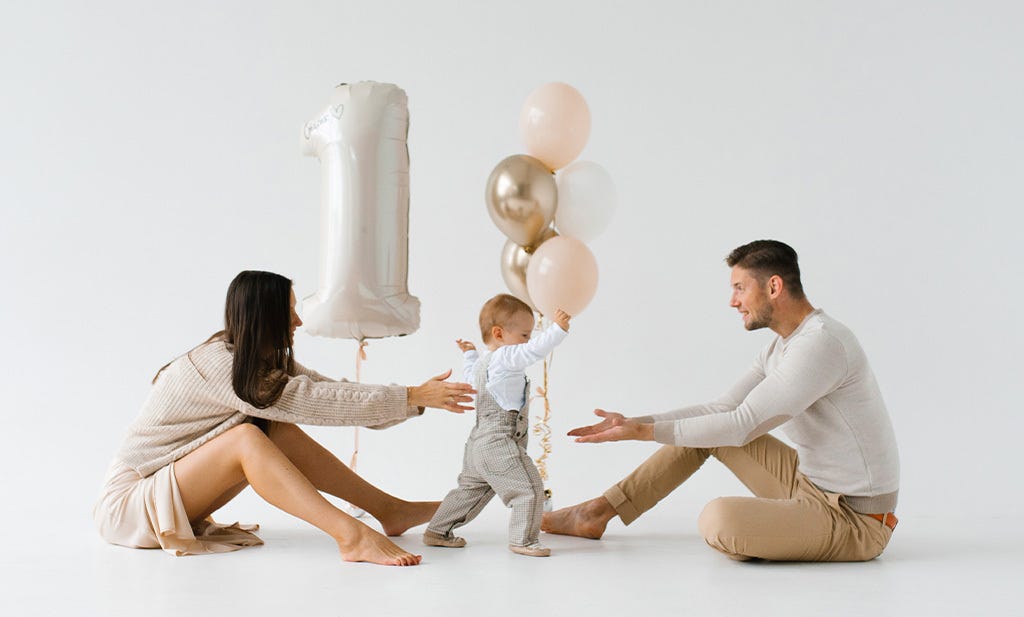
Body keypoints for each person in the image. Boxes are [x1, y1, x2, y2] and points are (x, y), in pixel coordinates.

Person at [542, 240, 900, 562]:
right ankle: (595, 513)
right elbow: (721, 409)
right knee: (704, 432)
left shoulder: (821, 343)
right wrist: (634, 422)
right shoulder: (782, 345)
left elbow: (742, 425)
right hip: (807, 483)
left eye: (740, 288)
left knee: (719, 519)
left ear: (774, 286)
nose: (733, 301)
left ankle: (781, 531)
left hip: (855, 519)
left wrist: (644, 432)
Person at [93, 270, 476, 567]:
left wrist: (414, 399)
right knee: (247, 438)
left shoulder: (258, 360)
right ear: (265, 317)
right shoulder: (220, 365)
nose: (298, 322)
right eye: (289, 312)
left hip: (168, 491)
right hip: (128, 505)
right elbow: (313, 401)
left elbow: (328, 391)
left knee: (270, 429)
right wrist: (411, 396)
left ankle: (389, 510)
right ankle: (350, 535)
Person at [423, 294, 570, 557]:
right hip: (498, 442)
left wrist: (469, 354)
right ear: (499, 334)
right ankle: (523, 540)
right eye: (525, 334)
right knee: (528, 489)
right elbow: (533, 351)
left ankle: (438, 530)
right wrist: (557, 329)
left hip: (477, 443)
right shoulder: (506, 356)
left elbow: (470, 376)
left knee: (470, 490)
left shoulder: (484, 362)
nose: (527, 340)